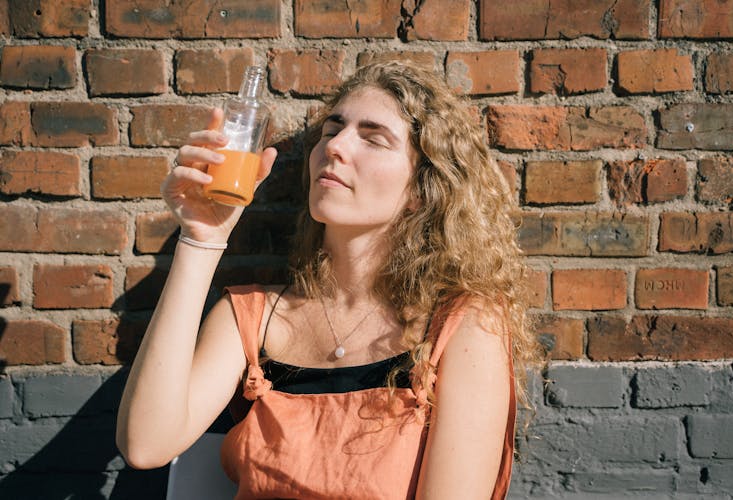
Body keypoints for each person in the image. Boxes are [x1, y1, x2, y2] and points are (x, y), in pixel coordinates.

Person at [116, 61, 539, 499]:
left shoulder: (462, 327)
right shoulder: (254, 317)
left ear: (421, 190)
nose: (336, 145)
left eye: (373, 137)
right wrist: (201, 237)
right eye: (332, 129)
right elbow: (146, 445)